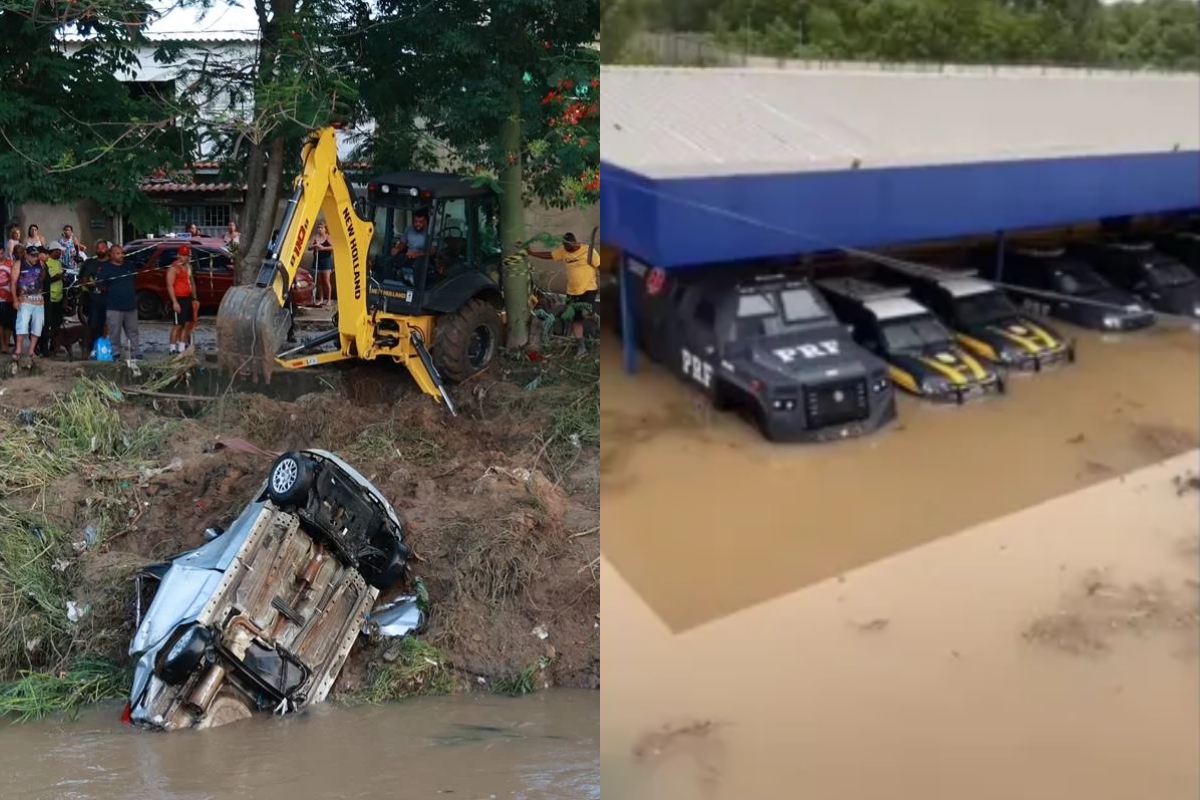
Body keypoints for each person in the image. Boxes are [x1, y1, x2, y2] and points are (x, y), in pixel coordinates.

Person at [528, 232, 600, 357]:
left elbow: (600, 266)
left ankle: (595, 317)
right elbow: (549, 255)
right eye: (564, 246)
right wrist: (531, 252)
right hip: (572, 291)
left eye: (568, 246)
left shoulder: (589, 251)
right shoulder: (563, 251)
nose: (566, 249)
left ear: (574, 242)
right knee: (575, 320)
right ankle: (582, 349)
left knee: (585, 311)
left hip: (588, 289)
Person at [103, 244, 141, 360]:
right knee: (115, 332)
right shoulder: (106, 268)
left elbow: (135, 279)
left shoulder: (129, 265)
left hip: (130, 306)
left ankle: (136, 352)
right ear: (111, 255)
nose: (121, 256)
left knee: (133, 331)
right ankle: (115, 353)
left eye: (122, 253)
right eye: (118, 253)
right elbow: (101, 285)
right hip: (114, 307)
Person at [12, 244, 46, 368]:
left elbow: (43, 278)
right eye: (32, 256)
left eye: (36, 256)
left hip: (38, 299)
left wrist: (43, 265)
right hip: (24, 299)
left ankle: (31, 351)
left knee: (37, 325)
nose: (35, 258)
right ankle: (18, 350)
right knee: (22, 325)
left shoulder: (39, 263)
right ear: (26, 254)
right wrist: (15, 300)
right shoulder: (19, 264)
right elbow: (13, 283)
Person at [79, 240, 109, 355]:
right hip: (93, 299)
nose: (100, 250)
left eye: (103, 247)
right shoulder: (90, 263)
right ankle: (92, 347)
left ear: (107, 249)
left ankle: (105, 347)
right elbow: (83, 279)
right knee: (93, 325)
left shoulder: (111, 263)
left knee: (108, 324)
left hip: (110, 300)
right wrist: (91, 284)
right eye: (98, 248)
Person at [165, 246, 197, 353]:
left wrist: (194, 297)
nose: (186, 257)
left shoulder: (188, 267)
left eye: (187, 255)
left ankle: (182, 347)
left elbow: (192, 282)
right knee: (178, 324)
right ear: (179, 255)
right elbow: (169, 286)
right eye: (183, 255)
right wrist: (174, 302)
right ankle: (172, 348)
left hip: (188, 298)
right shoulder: (173, 268)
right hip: (178, 298)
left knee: (188, 323)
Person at [39, 242, 66, 356]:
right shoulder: (45, 263)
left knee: (57, 324)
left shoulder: (58, 263)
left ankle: (54, 346)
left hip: (58, 298)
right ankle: (43, 347)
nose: (61, 253)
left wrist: (65, 297)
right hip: (49, 298)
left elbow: (61, 281)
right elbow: (47, 280)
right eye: (59, 251)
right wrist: (59, 276)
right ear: (54, 250)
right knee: (46, 324)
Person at [309, 221, 334, 306]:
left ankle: (329, 300)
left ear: (325, 229)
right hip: (317, 260)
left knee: (326, 281)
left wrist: (323, 248)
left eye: (321, 228)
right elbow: (309, 247)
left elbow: (333, 247)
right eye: (318, 228)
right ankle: (321, 299)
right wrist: (315, 246)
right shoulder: (315, 237)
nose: (319, 229)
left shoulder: (328, 237)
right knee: (319, 282)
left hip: (326, 261)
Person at [0, 251, 14, 354]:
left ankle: (7, 343)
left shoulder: (10, 263)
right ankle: (3, 345)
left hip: (9, 297)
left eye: (1, 253)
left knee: (8, 323)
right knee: (0, 323)